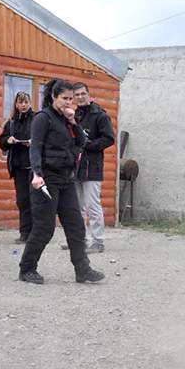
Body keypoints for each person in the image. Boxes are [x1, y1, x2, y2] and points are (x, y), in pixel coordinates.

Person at [18, 79, 104, 285]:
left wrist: (74, 122)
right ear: (53, 97)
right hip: (46, 180)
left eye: (71, 99)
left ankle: (83, 270)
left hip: (66, 180)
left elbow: (83, 143)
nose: (68, 102)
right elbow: (35, 148)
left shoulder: (68, 120)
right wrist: (37, 174)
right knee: (44, 228)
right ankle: (27, 269)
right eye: (64, 98)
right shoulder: (42, 118)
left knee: (76, 227)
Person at [72, 82, 114, 254]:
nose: (80, 97)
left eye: (83, 94)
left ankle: (98, 241)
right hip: (75, 167)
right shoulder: (74, 115)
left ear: (88, 95)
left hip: (92, 167)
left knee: (92, 205)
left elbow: (109, 138)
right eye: (77, 95)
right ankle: (80, 240)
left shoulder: (100, 115)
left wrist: (88, 145)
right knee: (77, 206)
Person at [0, 91, 35, 244]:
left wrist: (34, 142)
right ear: (16, 104)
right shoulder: (11, 122)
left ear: (30, 103)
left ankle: (36, 234)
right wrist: (9, 140)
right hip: (19, 167)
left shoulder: (37, 119)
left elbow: (45, 138)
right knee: (22, 201)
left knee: (36, 201)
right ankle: (24, 233)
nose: (23, 105)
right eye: (20, 102)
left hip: (35, 167)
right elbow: (2, 142)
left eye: (26, 102)